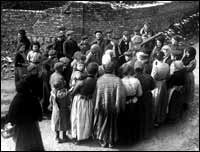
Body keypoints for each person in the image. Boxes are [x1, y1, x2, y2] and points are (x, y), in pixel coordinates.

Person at [93, 61, 126, 148]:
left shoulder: (99, 80)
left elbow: (97, 95)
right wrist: (120, 106)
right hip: (113, 107)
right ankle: (111, 141)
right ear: (113, 70)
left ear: (104, 69)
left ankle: (103, 140)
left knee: (102, 122)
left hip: (102, 106)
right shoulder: (118, 80)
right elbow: (121, 96)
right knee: (112, 124)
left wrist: (96, 106)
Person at [6, 80, 44, 151]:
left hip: (21, 130)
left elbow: (11, 118)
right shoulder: (33, 98)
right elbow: (40, 116)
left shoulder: (16, 100)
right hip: (33, 128)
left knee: (22, 148)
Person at [70, 62, 99, 144]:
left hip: (79, 100)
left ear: (86, 69)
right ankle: (86, 135)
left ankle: (77, 137)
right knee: (87, 119)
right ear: (96, 72)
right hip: (89, 101)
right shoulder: (96, 81)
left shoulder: (81, 82)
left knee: (77, 118)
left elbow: (73, 93)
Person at [118, 64, 143, 144]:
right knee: (133, 119)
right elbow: (140, 93)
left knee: (124, 120)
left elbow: (119, 94)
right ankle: (133, 138)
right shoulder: (136, 80)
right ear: (131, 71)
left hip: (124, 102)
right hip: (134, 102)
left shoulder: (120, 81)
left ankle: (124, 139)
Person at [49, 62, 71, 143]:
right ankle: (64, 135)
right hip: (61, 100)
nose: (64, 68)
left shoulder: (52, 75)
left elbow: (51, 85)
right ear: (58, 68)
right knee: (64, 118)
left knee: (56, 118)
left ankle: (57, 136)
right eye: (62, 67)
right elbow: (61, 89)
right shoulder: (60, 77)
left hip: (54, 97)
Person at [134, 60, 155, 140]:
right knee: (146, 115)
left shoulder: (134, 78)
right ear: (143, 68)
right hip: (147, 98)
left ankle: (139, 134)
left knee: (138, 116)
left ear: (134, 69)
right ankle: (146, 133)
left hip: (138, 99)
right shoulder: (149, 77)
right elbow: (153, 87)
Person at [151, 51, 170, 126]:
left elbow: (153, 77)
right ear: (163, 57)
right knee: (163, 101)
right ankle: (161, 118)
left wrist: (154, 66)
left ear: (156, 58)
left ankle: (155, 120)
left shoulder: (156, 67)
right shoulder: (167, 65)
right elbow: (168, 76)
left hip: (157, 85)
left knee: (156, 102)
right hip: (164, 83)